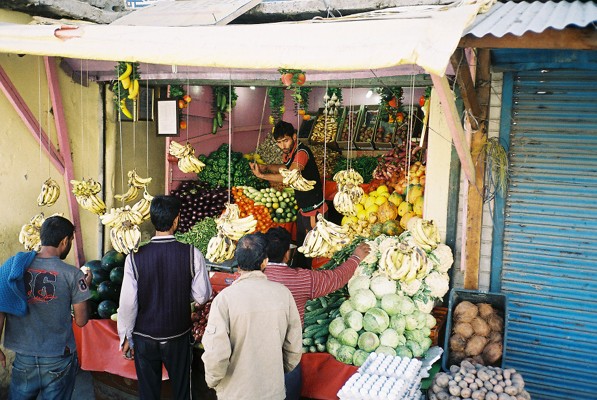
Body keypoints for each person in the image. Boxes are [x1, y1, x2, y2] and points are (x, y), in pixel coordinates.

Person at [117, 195, 212, 400]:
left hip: (145, 337)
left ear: (152, 219)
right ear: (176, 219)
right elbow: (202, 296)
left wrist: (126, 336)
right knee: (181, 391)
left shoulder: (134, 257)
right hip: (177, 335)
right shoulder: (191, 253)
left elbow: (127, 304)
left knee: (148, 393)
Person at [264, 226, 370, 400]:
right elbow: (336, 278)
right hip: (287, 355)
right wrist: (356, 257)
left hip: (254, 353)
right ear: (287, 254)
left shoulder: (251, 278)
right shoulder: (303, 279)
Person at [0, 215, 92, 400]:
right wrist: (84, 288)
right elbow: (82, 321)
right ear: (64, 241)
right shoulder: (73, 274)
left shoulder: (14, 268)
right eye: (71, 241)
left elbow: (1, 308)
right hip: (58, 358)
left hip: (23, 357)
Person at [202, 232, 302, 400]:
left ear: (238, 262)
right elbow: (293, 347)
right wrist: (279, 370)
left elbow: (216, 353)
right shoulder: (283, 294)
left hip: (236, 393)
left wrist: (213, 381)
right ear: (265, 261)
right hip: (272, 391)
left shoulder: (224, 299)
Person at [250, 120, 326, 268]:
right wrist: (267, 167)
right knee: (302, 245)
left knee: (313, 247)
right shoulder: (291, 152)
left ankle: (311, 278)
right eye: (279, 142)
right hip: (303, 207)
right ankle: (299, 272)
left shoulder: (302, 153)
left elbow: (290, 175)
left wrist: (263, 176)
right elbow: (285, 167)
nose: (283, 145)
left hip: (314, 209)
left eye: (286, 140)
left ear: (294, 137)